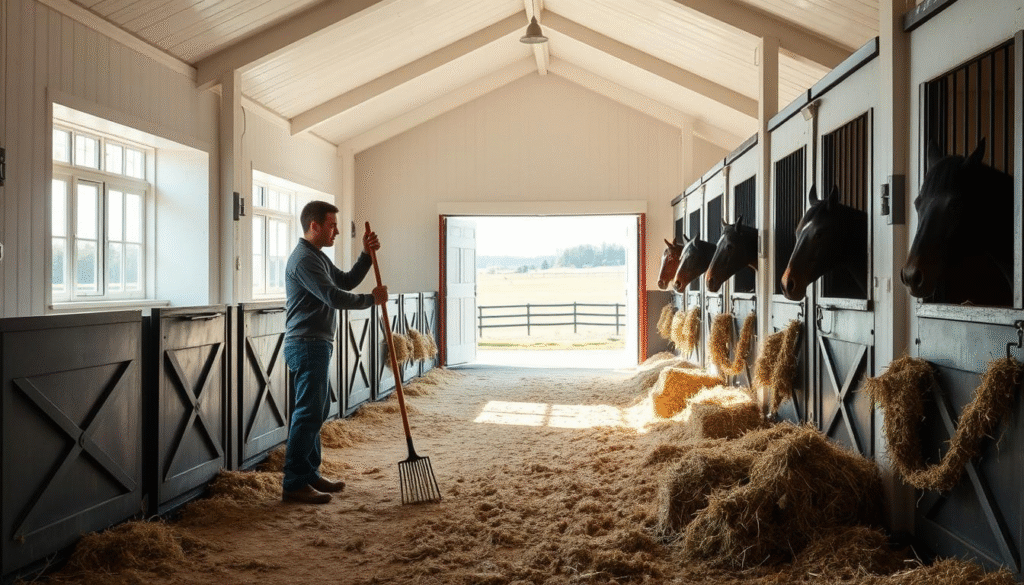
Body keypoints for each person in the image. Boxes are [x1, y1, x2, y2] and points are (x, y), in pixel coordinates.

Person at [282, 200, 388, 504]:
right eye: (332, 225)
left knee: (317, 410)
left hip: (315, 343)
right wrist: (371, 299)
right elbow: (332, 296)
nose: (337, 231)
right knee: (308, 412)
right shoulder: (304, 260)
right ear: (314, 226)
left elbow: (344, 280)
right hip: (306, 344)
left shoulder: (315, 257)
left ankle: (309, 474)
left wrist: (366, 256)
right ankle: (294, 483)